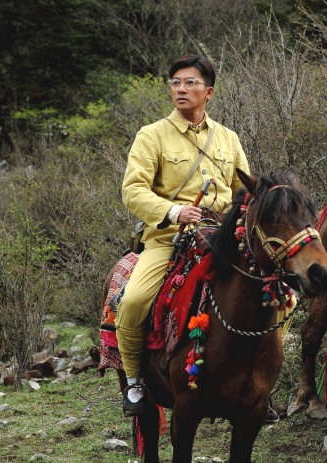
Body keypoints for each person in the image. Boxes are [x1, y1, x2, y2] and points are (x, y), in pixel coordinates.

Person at [116, 54, 253, 416]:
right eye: (175, 82)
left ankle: (259, 383)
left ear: (208, 92)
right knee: (132, 301)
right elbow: (132, 191)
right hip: (169, 240)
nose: (180, 88)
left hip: (225, 240)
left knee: (281, 297)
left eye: (190, 82)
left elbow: (244, 191)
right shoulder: (152, 135)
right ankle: (134, 383)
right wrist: (174, 211)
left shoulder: (229, 138)